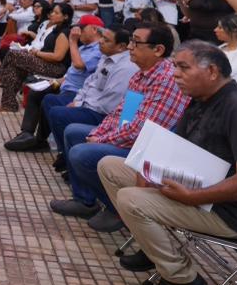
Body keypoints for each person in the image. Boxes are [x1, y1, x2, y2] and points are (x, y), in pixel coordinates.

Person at [97, 41, 237, 285]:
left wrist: (192, 197)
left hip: (230, 213)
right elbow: (175, 148)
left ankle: (181, 278)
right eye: (175, 67)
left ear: (212, 72)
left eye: (184, 68)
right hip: (198, 188)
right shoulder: (201, 101)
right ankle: (153, 249)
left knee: (131, 199)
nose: (175, 74)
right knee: (111, 166)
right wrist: (147, 172)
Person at [50, 24, 187, 232]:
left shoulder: (166, 79)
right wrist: (98, 134)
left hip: (148, 150)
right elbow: (122, 115)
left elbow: (142, 131)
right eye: (131, 41)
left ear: (158, 50)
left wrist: (101, 140)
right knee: (74, 132)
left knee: (81, 153)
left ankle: (118, 209)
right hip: (132, 138)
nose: (130, 47)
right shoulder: (141, 75)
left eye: (136, 43)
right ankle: (85, 201)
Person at [4, 14, 104, 151]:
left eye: (81, 28)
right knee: (35, 93)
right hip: (66, 84)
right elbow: (72, 73)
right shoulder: (83, 47)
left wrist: (72, 41)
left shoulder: (98, 49)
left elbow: (79, 65)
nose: (78, 32)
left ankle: (40, 141)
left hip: (77, 92)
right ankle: (26, 133)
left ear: (94, 29)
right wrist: (56, 82)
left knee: (48, 99)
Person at [45, 27, 137, 167]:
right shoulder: (106, 57)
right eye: (102, 37)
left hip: (102, 113)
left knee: (59, 114)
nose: (100, 41)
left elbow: (109, 105)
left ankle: (67, 158)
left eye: (106, 40)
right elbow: (89, 82)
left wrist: (81, 105)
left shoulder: (126, 67)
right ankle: (62, 153)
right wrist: (78, 101)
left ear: (121, 46)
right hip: (92, 104)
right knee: (49, 100)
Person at [0, 2, 74, 112]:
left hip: (55, 68)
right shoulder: (55, 29)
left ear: (65, 17)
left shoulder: (64, 33)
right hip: (45, 62)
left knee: (14, 54)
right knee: (13, 68)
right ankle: (8, 104)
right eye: (52, 12)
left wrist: (37, 53)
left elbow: (58, 57)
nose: (52, 14)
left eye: (56, 13)